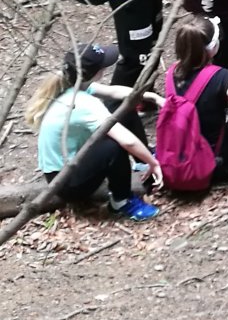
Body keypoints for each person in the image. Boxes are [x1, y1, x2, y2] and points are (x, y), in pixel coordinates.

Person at [27, 44, 164, 221]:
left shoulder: (74, 85)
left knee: (123, 107)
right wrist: (154, 163)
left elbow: (115, 91)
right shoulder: (83, 104)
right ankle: (121, 201)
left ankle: (141, 163)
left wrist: (152, 97)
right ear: (96, 72)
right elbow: (127, 141)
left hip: (72, 163)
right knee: (113, 145)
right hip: (65, 183)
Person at [165, 14, 228, 183]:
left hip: (178, 156)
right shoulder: (220, 76)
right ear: (213, 47)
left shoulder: (172, 73)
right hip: (213, 164)